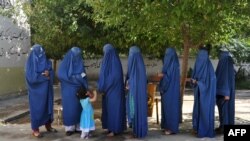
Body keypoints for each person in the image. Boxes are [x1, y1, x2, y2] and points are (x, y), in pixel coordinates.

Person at [25, 44, 57, 138]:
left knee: (47, 108)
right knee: (37, 110)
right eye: (39, 52)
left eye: (42, 52)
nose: (42, 54)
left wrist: (49, 73)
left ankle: (48, 125)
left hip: (47, 91)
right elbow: (31, 78)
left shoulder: (47, 61)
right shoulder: (30, 64)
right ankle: (35, 129)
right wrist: (45, 77)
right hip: (36, 93)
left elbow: (51, 71)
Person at [58, 47, 88, 136]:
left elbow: (83, 75)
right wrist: (77, 78)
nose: (77, 57)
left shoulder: (80, 63)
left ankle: (78, 127)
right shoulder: (64, 64)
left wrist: (79, 78)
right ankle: (69, 128)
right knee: (69, 109)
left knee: (79, 108)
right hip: (68, 91)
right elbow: (61, 75)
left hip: (79, 91)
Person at [98, 44, 126, 136]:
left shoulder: (114, 65)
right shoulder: (114, 62)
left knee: (114, 109)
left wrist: (102, 87)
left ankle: (114, 129)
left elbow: (112, 78)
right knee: (109, 110)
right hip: (109, 92)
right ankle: (111, 128)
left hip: (114, 92)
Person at [191, 44, 216, 138]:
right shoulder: (198, 65)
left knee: (205, 111)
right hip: (198, 93)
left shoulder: (210, 70)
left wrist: (198, 82)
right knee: (197, 110)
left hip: (207, 96)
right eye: (199, 56)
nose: (200, 59)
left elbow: (210, 85)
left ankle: (205, 131)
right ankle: (197, 128)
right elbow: (194, 79)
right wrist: (194, 82)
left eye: (202, 56)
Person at [125, 46, 148, 138]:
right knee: (134, 110)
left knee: (135, 110)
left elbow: (136, 80)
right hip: (135, 94)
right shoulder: (140, 65)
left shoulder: (138, 67)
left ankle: (139, 131)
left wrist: (129, 83)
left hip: (136, 94)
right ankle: (136, 130)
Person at [158, 47, 180, 135]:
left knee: (171, 109)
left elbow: (168, 78)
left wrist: (162, 75)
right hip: (170, 91)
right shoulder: (174, 64)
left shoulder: (172, 65)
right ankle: (167, 126)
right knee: (167, 109)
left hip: (169, 90)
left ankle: (171, 128)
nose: (166, 56)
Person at [215, 50, 235, 133]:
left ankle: (224, 128)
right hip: (221, 92)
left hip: (225, 94)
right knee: (223, 111)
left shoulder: (225, 64)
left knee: (225, 111)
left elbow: (226, 80)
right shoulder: (227, 63)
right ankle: (222, 126)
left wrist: (226, 93)